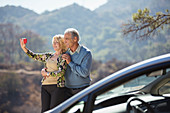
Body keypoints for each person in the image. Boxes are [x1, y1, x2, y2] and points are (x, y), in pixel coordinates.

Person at [20, 35, 67, 112]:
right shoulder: (48, 56)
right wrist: (24, 48)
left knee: (54, 111)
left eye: (57, 42)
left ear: (61, 44)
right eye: (53, 42)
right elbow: (34, 56)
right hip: (45, 86)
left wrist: (47, 73)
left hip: (57, 87)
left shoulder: (64, 57)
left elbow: (61, 73)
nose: (54, 44)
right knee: (44, 111)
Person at [62, 28, 92, 99]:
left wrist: (70, 62)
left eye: (67, 39)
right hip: (66, 91)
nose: (64, 41)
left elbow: (84, 73)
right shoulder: (64, 53)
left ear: (75, 39)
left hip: (82, 90)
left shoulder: (86, 53)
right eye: (64, 39)